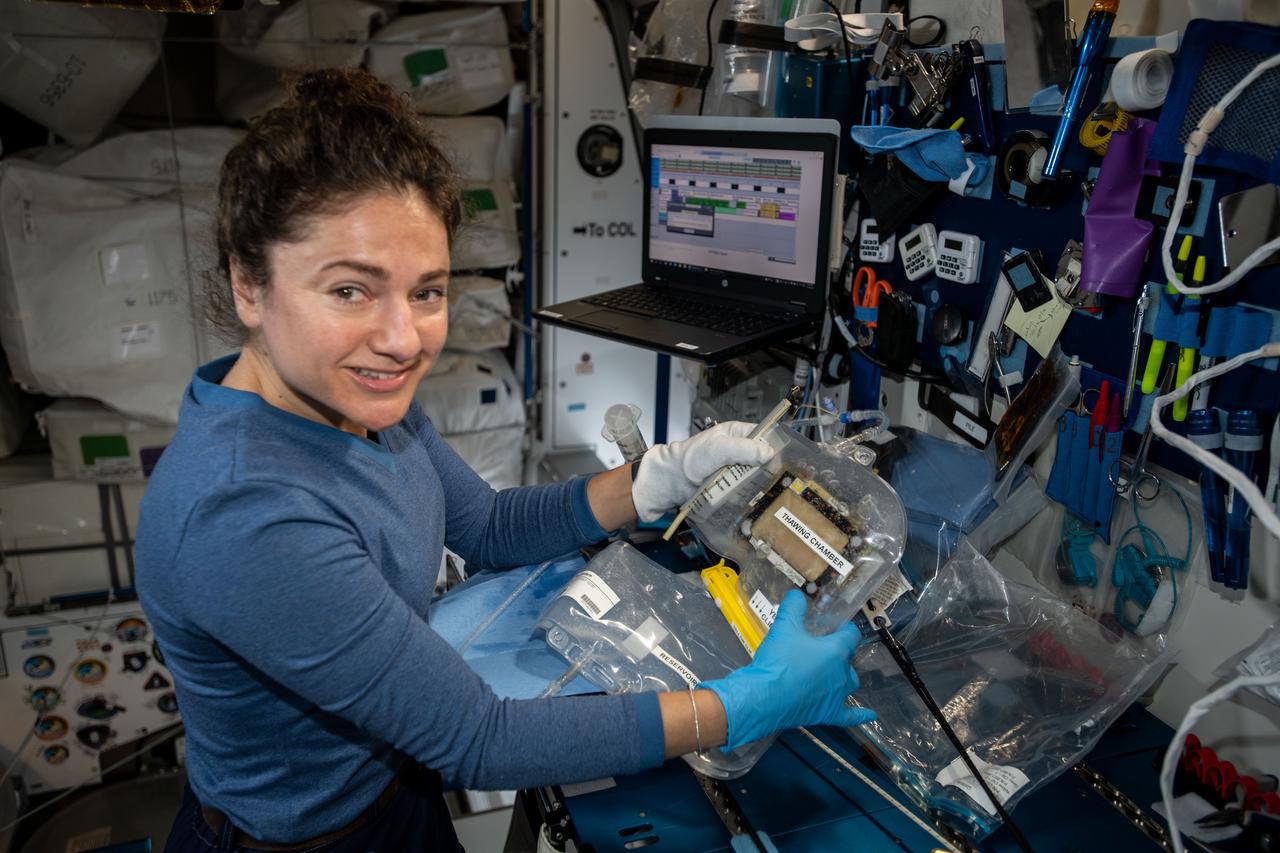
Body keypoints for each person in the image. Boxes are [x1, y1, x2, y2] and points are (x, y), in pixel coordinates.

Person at [136, 68, 875, 852]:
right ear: (249, 285)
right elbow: (481, 741)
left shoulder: (352, 399)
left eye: (426, 291)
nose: (401, 337)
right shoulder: (245, 512)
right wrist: (749, 702)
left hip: (393, 785)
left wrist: (661, 475)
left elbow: (484, 525)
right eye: (350, 291)